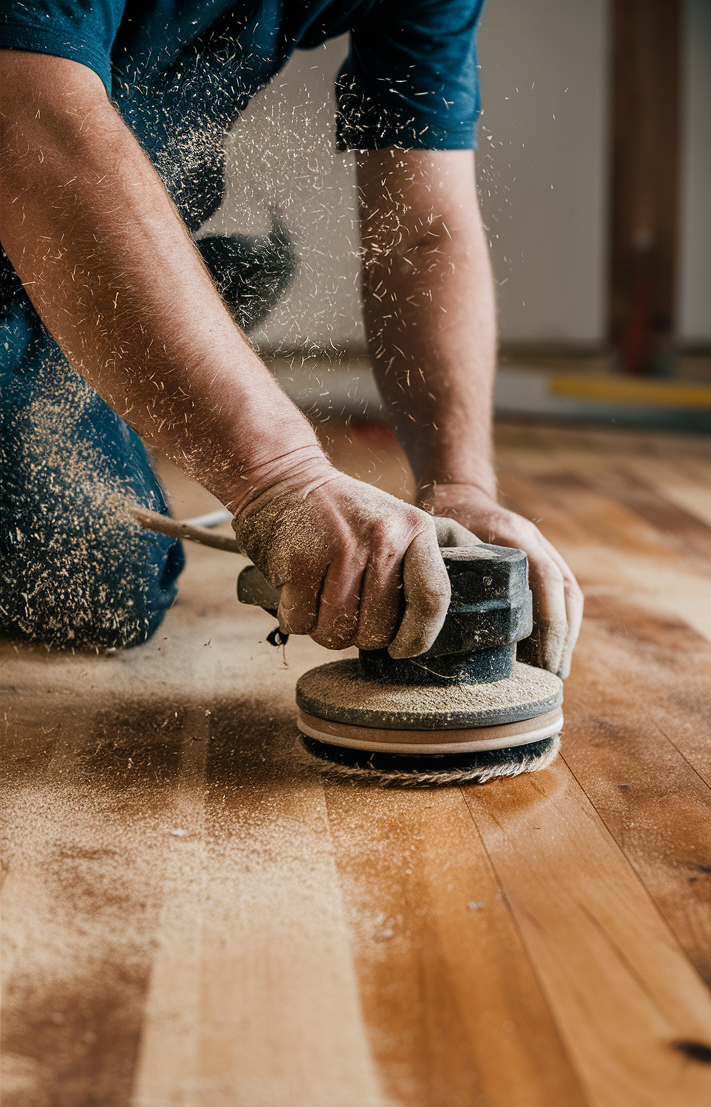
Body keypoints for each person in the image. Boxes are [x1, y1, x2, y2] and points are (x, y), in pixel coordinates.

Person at [0, 0, 583, 670]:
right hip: (31, 190)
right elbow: (33, 124)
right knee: (103, 582)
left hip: (76, 220)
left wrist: (461, 487)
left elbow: (421, 235)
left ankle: (134, 348)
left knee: (252, 265)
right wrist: (279, 474)